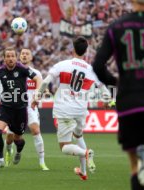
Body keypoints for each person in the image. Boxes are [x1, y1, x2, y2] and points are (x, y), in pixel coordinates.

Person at [92, 0, 144, 189]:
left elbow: (97, 65)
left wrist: (115, 82)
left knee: (136, 168)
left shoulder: (116, 27)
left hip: (128, 100)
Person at [32, 36, 111, 180]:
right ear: (86, 52)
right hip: (81, 110)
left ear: (73, 50)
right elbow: (103, 87)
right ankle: (83, 171)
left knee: (64, 147)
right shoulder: (91, 70)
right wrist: (107, 99)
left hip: (64, 110)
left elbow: (46, 82)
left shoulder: (62, 65)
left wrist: (37, 97)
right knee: (78, 135)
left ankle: (86, 153)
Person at [4, 48, 49, 171]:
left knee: (35, 130)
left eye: (27, 54)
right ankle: (8, 152)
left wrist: (44, 92)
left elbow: (42, 86)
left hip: (30, 106)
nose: (24, 55)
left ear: (31, 58)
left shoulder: (36, 73)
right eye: (22, 53)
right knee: (9, 138)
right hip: (15, 107)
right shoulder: (12, 71)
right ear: (19, 57)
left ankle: (42, 162)